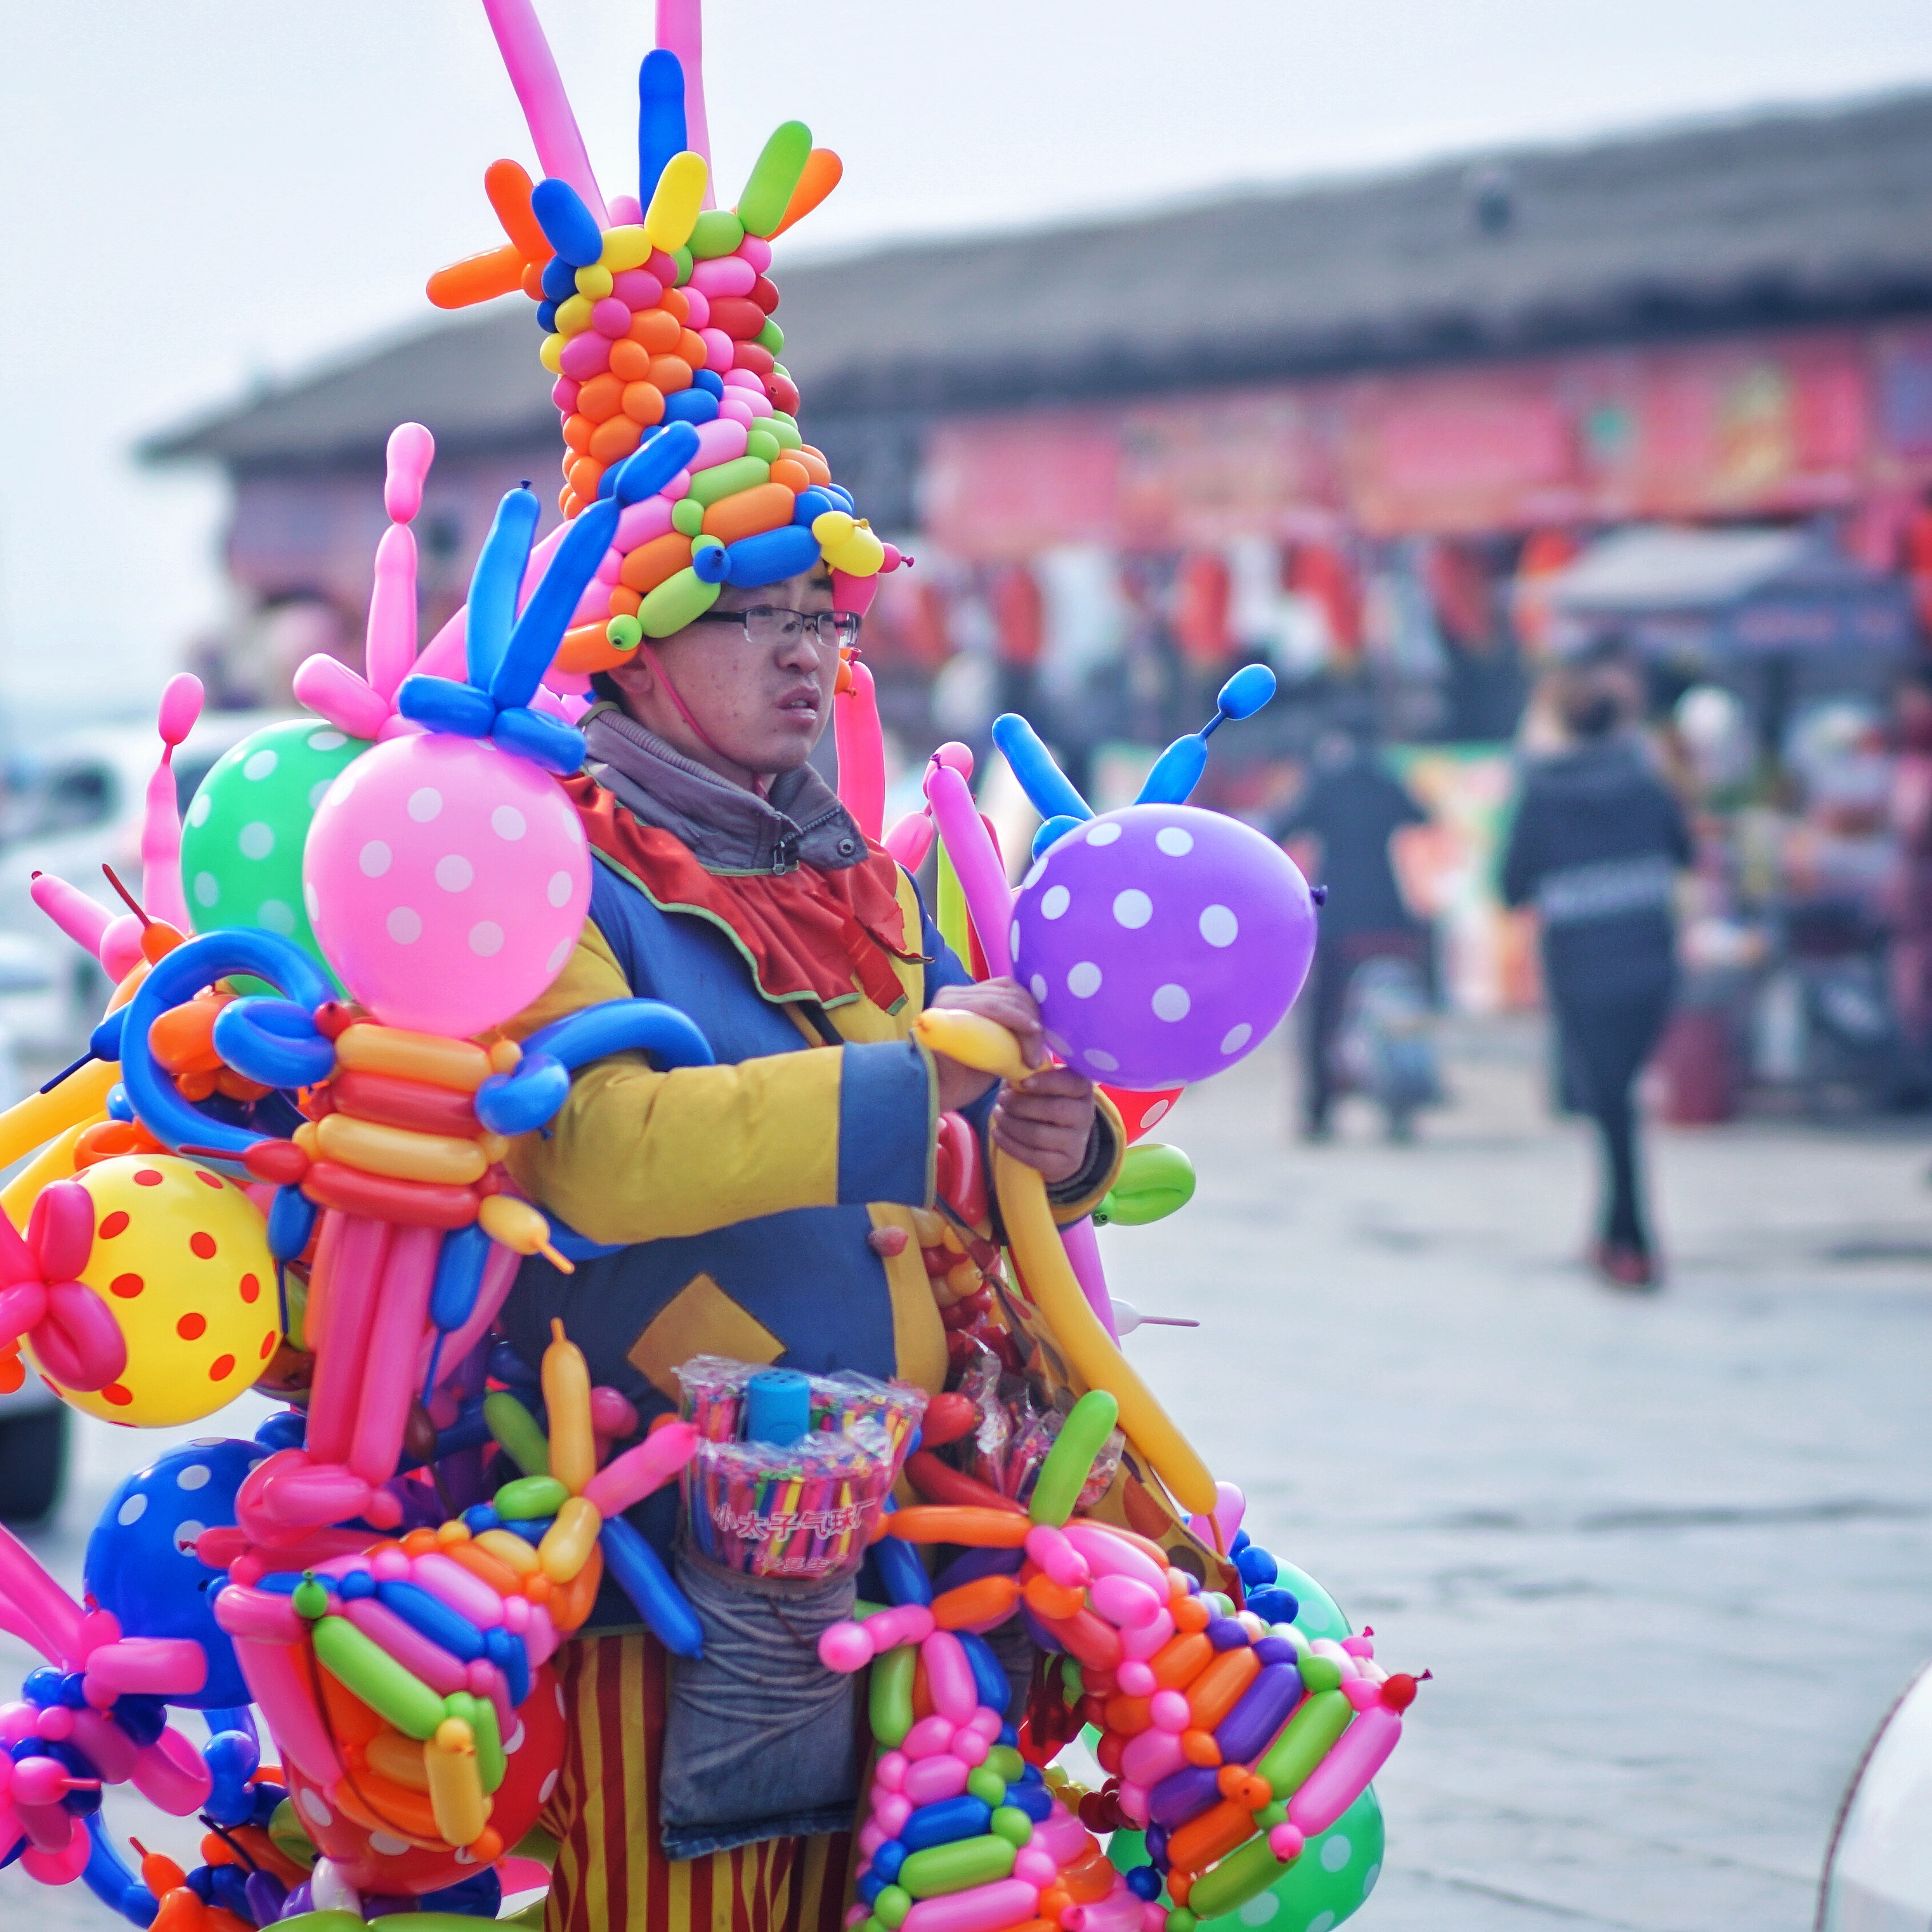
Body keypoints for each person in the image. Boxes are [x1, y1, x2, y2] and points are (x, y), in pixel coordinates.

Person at [500, 567, 1124, 1932]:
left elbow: (952, 1168)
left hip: (901, 1524)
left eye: (822, 622)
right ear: (636, 647)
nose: (807, 657)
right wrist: (921, 1080)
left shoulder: (847, 871)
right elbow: (594, 1154)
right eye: (760, 619)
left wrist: (1055, 1138)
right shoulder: (554, 863)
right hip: (654, 1547)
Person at [1502, 658, 1691, 1289]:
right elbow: (1685, 852)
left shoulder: (1541, 790)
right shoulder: (1646, 784)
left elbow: (1510, 888)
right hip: (1651, 961)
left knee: (1609, 1103)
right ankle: (1620, 1233)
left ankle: (1630, 1239)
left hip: (1580, 967)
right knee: (1618, 1100)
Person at [1271, 723, 1432, 1138]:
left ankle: (1319, 1109)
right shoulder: (1384, 779)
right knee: (1397, 1005)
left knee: (1323, 1017)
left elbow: (1282, 828)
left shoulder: (1324, 782)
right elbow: (1421, 815)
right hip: (1388, 914)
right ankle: (1404, 1098)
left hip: (1337, 917)